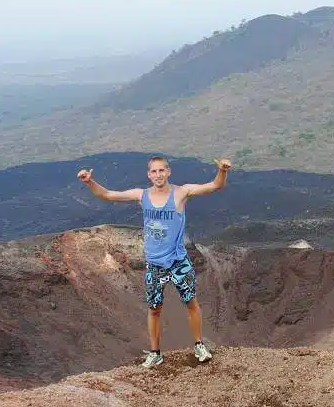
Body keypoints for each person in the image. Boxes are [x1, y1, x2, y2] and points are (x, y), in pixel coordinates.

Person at [77, 155, 232, 367]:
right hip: (155, 264)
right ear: (149, 175)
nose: (158, 175)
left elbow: (214, 186)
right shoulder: (142, 196)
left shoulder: (181, 193)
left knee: (190, 302)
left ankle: (199, 344)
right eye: (154, 171)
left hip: (178, 261)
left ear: (168, 172)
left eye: (162, 170)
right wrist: (89, 181)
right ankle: (155, 352)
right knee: (154, 309)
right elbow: (107, 194)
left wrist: (222, 170)